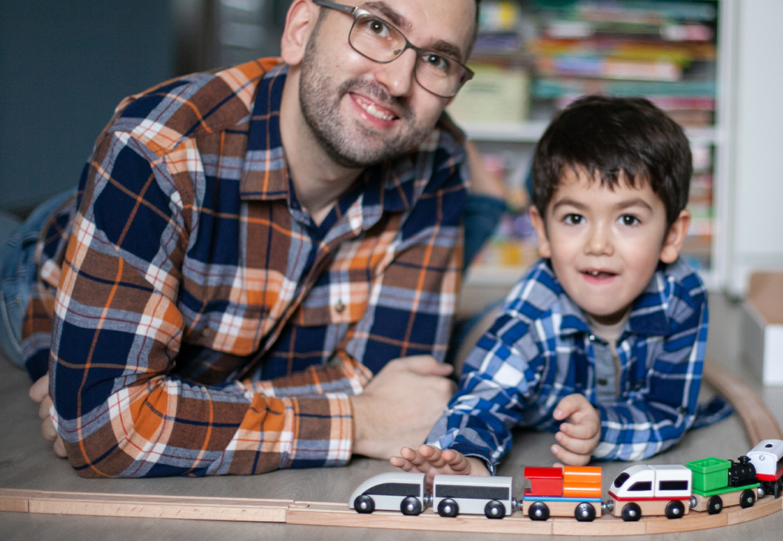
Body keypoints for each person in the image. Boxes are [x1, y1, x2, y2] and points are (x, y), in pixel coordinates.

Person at [0, 0, 505, 478]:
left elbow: (398, 386)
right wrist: (359, 420)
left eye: (437, 59)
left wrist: (162, 407)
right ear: (300, 31)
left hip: (235, 298)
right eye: (376, 26)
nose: (397, 81)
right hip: (40, 262)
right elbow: (106, 430)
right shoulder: (152, 149)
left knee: (480, 202)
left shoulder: (438, 159)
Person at [391, 96, 732, 478]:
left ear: (672, 235)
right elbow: (483, 399)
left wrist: (603, 429)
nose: (598, 245)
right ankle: (487, 200)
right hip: (482, 335)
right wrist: (465, 456)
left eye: (629, 220)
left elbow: (669, 411)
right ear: (542, 231)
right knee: (455, 324)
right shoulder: (533, 312)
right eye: (574, 217)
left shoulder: (683, 298)